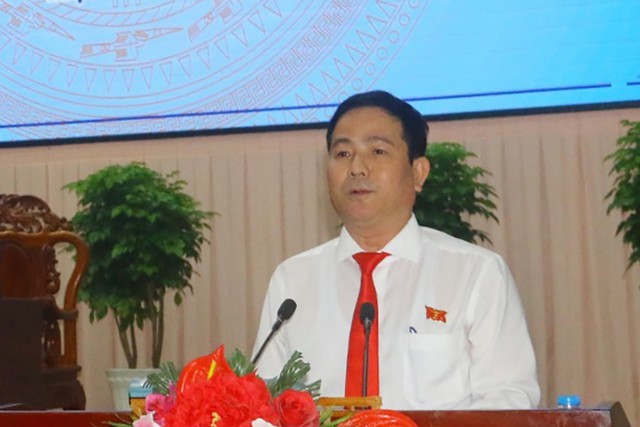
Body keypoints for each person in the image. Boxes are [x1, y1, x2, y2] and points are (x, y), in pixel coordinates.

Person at [252, 90, 540, 409]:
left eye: (377, 151)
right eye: (343, 153)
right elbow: (263, 403)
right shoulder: (293, 280)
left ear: (418, 173)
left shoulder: (475, 274)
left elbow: (508, 397)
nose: (357, 168)